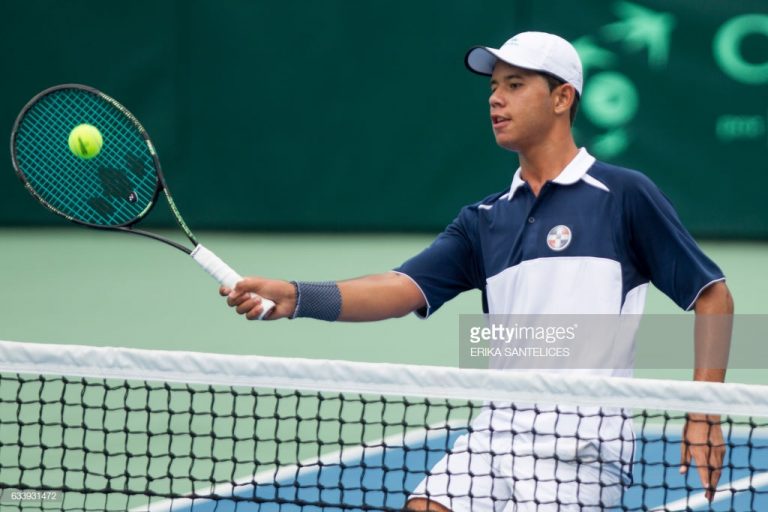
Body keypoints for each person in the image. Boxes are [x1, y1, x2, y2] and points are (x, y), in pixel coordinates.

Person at [221, 31, 734, 511]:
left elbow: (712, 295)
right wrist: (297, 296)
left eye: (515, 85)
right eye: (493, 87)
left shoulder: (623, 195)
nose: (495, 99)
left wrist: (702, 411)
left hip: (580, 451)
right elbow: (401, 288)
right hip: (494, 436)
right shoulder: (484, 220)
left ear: (562, 99)